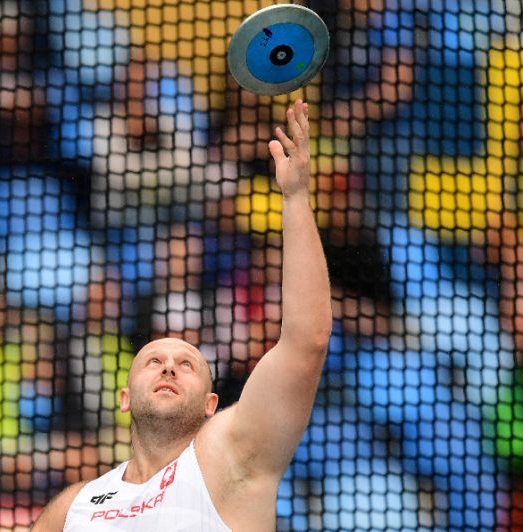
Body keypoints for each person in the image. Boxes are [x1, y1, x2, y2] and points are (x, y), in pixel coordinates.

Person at [32, 99, 331, 530]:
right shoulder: (75, 506)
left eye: (187, 364)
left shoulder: (230, 459)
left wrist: (296, 196)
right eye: (153, 360)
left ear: (212, 404)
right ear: (125, 397)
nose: (169, 365)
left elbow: (307, 343)